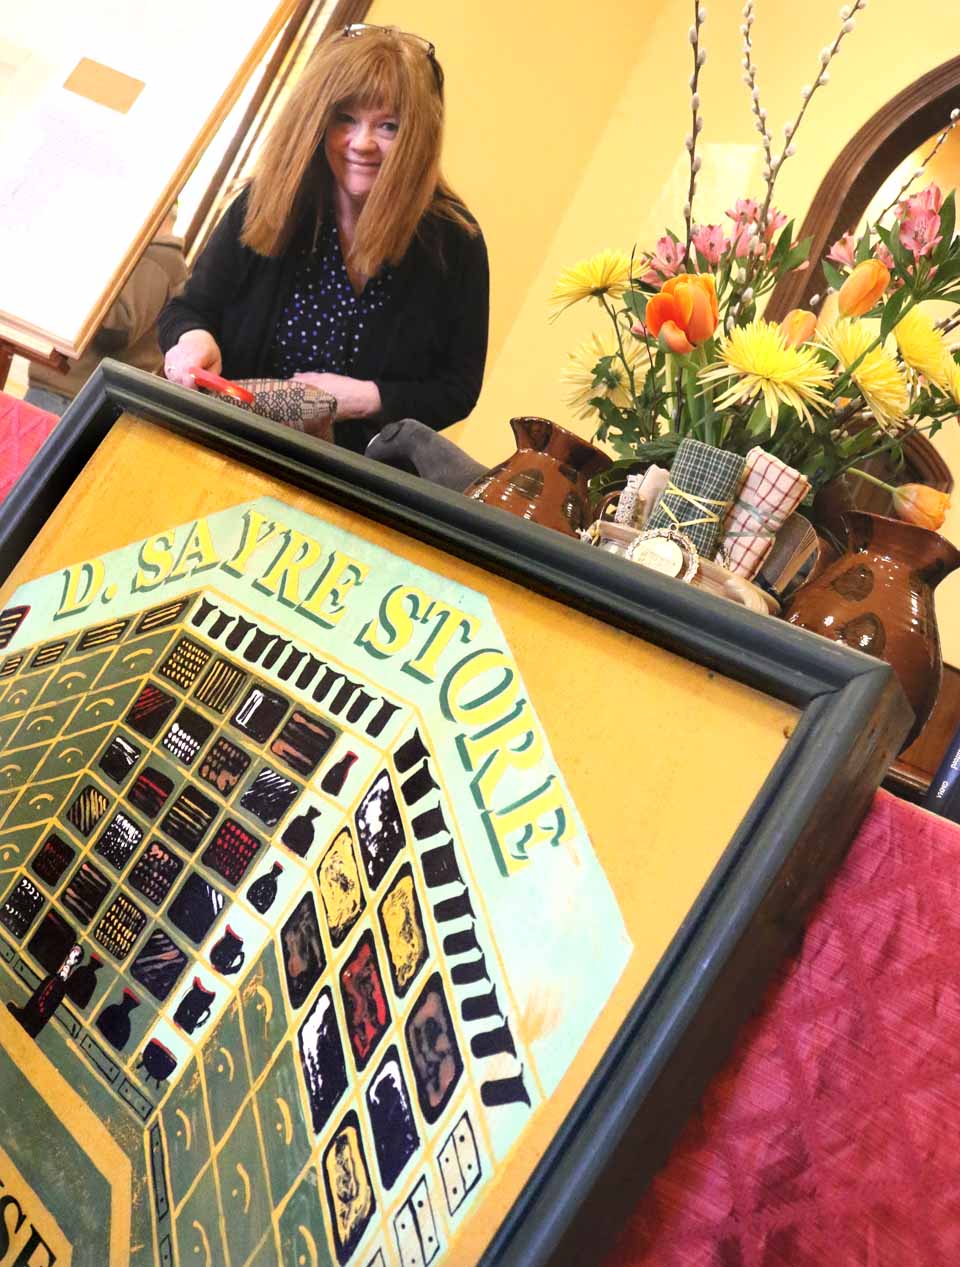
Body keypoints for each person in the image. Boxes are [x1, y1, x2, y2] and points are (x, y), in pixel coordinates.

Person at [159, 24, 489, 455]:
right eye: (345, 119)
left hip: (348, 475)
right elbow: (188, 310)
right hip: (221, 445)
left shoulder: (456, 244)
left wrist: (366, 398)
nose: (362, 143)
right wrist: (192, 340)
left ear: (418, 137)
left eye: (388, 127)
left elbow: (457, 389)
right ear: (317, 121)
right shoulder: (264, 203)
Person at [26, 207, 186, 415]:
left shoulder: (156, 258)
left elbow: (116, 332)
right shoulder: (145, 254)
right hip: (67, 391)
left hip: (70, 396)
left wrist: (78, 271)